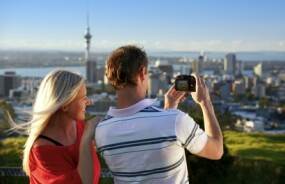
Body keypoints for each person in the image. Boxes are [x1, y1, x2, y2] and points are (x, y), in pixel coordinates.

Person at [95, 45, 223, 183]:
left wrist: (168, 109)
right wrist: (205, 102)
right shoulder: (175, 121)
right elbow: (216, 151)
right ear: (143, 72)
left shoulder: (102, 131)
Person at [11, 69, 101, 184]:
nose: (88, 102)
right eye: (83, 98)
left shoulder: (81, 126)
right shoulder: (42, 150)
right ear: (65, 106)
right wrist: (86, 139)